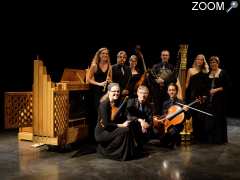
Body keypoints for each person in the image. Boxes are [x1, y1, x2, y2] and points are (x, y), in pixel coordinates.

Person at [95, 83, 140, 161]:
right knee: (125, 129)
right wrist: (121, 125)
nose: (116, 93)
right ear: (108, 92)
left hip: (109, 129)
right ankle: (107, 152)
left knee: (128, 128)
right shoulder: (104, 104)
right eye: (114, 91)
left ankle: (129, 153)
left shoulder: (114, 102)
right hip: (102, 132)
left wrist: (136, 119)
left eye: (118, 91)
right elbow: (106, 125)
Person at [153, 83, 190, 148]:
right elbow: (164, 115)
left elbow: (188, 117)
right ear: (167, 91)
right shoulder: (165, 103)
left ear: (176, 91)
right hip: (167, 124)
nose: (171, 92)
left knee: (171, 132)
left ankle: (172, 140)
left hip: (177, 126)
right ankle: (169, 140)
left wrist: (186, 111)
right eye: (169, 90)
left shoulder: (182, 103)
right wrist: (160, 119)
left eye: (173, 90)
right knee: (155, 131)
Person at [86, 47, 112, 140]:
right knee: (97, 113)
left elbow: (111, 80)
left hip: (105, 92)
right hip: (96, 92)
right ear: (99, 55)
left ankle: (103, 135)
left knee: (104, 113)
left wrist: (109, 80)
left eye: (107, 54)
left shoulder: (110, 66)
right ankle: (94, 137)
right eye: (103, 53)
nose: (105, 55)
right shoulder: (94, 65)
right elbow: (88, 79)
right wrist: (99, 83)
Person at [206, 56, 231, 144]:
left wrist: (216, 90)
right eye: (211, 62)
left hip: (220, 99)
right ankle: (212, 139)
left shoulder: (222, 73)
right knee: (211, 119)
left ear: (218, 63)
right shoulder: (208, 73)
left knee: (219, 119)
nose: (213, 64)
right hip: (210, 100)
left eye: (214, 62)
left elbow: (227, 86)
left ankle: (220, 139)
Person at [185, 54, 209, 143]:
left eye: (201, 60)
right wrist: (179, 88)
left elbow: (207, 86)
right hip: (193, 97)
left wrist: (205, 96)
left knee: (201, 117)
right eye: (198, 59)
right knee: (194, 117)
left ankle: (202, 137)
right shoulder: (190, 70)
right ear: (195, 60)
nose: (199, 61)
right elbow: (187, 84)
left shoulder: (206, 71)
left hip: (202, 97)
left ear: (203, 61)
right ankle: (195, 136)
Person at [126, 85, 152, 151]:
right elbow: (128, 116)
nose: (143, 95)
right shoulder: (131, 101)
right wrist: (140, 121)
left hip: (142, 127)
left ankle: (139, 145)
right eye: (141, 93)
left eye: (145, 93)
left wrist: (145, 125)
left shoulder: (149, 106)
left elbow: (150, 121)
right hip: (131, 124)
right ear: (137, 93)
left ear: (148, 94)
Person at [151, 49, 177, 114]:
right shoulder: (155, 66)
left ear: (169, 56)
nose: (165, 56)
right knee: (157, 110)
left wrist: (164, 81)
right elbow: (150, 79)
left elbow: (174, 80)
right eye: (163, 55)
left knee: (166, 110)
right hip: (157, 92)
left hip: (167, 92)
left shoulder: (172, 67)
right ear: (161, 56)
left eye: (166, 55)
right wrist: (156, 81)